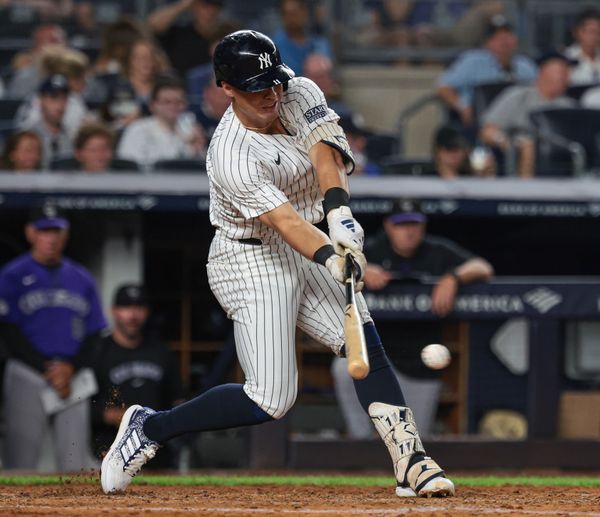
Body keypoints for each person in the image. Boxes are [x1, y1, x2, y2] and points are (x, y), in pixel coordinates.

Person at [100, 29, 456, 498]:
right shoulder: (230, 155)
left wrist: (339, 213)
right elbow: (284, 222)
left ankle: (411, 461)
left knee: (363, 346)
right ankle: (150, 428)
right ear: (225, 88)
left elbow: (324, 151)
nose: (270, 94)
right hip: (249, 257)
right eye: (255, 87)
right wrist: (332, 253)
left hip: (308, 236)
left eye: (273, 82)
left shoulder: (297, 89)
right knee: (272, 399)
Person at [332, 198, 493, 440]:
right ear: (388, 226)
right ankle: (360, 446)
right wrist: (361, 269)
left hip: (421, 362)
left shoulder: (437, 251)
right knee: (343, 368)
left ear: (423, 226)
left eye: (414, 224)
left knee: (415, 441)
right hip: (378, 356)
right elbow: (333, 266)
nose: (408, 231)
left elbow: (483, 267)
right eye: (401, 224)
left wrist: (453, 278)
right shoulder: (371, 250)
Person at [0, 204, 107, 471]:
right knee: (19, 462)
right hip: (28, 371)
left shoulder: (82, 278)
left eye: (56, 230)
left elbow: (95, 333)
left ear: (65, 234)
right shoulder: (12, 275)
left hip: (72, 375)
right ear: (30, 233)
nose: (51, 237)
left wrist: (70, 368)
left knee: (74, 464)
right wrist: (47, 369)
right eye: (44, 230)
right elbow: (7, 331)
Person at [86, 284, 184, 466]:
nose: (133, 315)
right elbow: (83, 406)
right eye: (126, 307)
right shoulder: (97, 352)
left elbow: (178, 400)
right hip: (110, 450)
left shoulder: (161, 352)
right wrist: (115, 416)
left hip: (157, 451)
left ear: (146, 312)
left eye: (138, 307)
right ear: (114, 311)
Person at [479, 50, 575, 177]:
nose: (567, 77)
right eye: (562, 72)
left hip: (561, 153)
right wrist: (505, 142)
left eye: (568, 73)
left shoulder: (569, 105)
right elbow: (487, 130)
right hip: (519, 148)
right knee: (528, 144)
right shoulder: (519, 95)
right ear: (543, 72)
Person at [436, 15, 537, 128]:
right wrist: (463, 107)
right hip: (478, 123)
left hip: (518, 124)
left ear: (515, 40)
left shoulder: (525, 65)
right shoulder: (473, 61)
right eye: (497, 37)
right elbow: (444, 87)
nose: (504, 41)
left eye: (507, 35)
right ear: (487, 42)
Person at [116, 77, 206, 170]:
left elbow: (201, 168)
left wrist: (197, 150)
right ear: (152, 105)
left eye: (179, 102)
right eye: (167, 102)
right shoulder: (137, 130)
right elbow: (128, 167)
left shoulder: (190, 130)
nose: (173, 106)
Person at [147, 0, 227, 77]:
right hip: (180, 88)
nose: (210, 12)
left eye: (214, 8)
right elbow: (153, 25)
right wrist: (183, 4)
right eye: (204, 7)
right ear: (194, 6)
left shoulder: (224, 37)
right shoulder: (180, 34)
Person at [272, 0, 333, 77]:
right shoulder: (275, 46)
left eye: (294, 13)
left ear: (304, 14)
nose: (290, 18)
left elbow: (329, 74)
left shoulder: (320, 43)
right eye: (286, 14)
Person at [23, 74, 75, 168]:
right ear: (40, 100)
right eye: (53, 97)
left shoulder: (72, 136)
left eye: (64, 98)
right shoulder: (26, 135)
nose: (60, 104)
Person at [565, 9, 600, 87]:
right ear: (577, 32)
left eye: (599, 33)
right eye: (591, 32)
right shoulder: (566, 57)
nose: (595, 37)